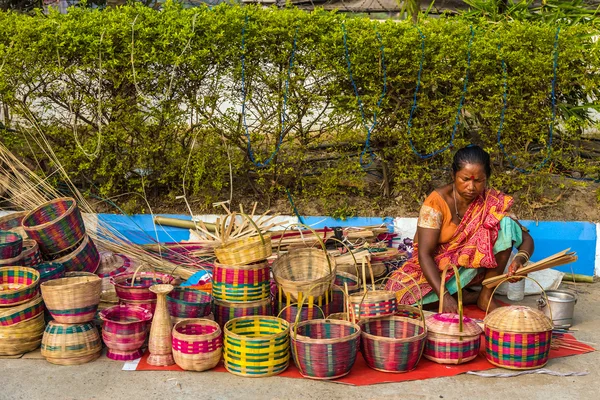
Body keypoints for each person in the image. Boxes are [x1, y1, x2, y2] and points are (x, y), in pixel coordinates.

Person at [385, 145, 534, 312]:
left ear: (486, 179)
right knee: (399, 298)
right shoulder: (435, 203)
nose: (471, 187)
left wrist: (519, 261)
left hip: (471, 268)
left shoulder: (491, 201)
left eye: (478, 181)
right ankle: (466, 296)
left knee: (506, 224)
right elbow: (424, 254)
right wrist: (444, 296)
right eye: (465, 179)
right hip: (434, 267)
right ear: (453, 175)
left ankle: (485, 296)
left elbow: (525, 238)